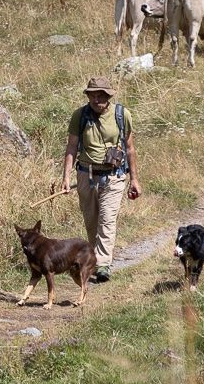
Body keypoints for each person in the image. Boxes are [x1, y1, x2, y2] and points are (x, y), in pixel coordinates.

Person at [58, 77, 142, 283]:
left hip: (114, 176)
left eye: (100, 96)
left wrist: (134, 179)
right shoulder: (79, 116)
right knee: (91, 221)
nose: (96, 100)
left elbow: (130, 148)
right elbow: (72, 147)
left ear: (108, 96)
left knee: (107, 219)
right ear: (88, 96)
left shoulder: (122, 115)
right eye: (92, 95)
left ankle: (103, 265)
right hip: (86, 175)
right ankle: (94, 260)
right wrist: (66, 177)